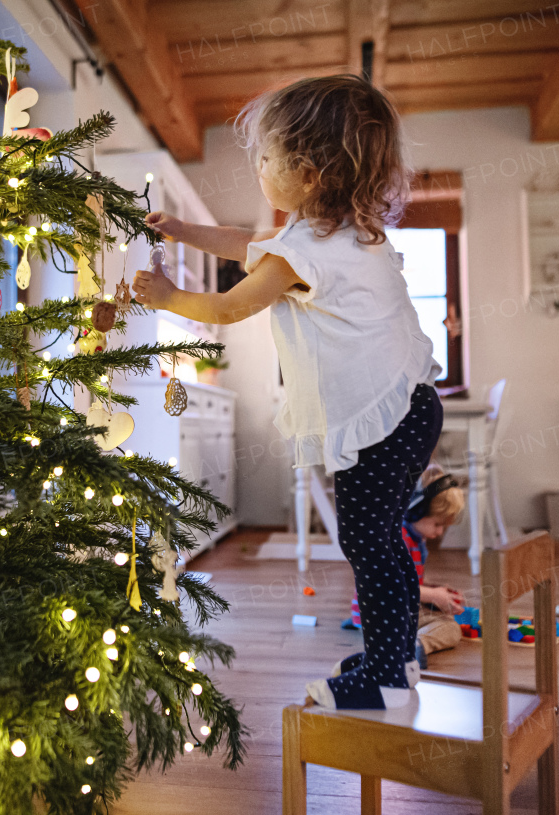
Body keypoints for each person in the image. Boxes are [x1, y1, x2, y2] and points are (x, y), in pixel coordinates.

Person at [133, 75, 443, 710]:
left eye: (266, 158)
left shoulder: (306, 249)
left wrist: (167, 296)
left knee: (367, 541)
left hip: (382, 422)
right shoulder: (343, 232)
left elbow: (225, 309)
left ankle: (385, 677)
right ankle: (398, 654)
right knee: (381, 539)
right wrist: (186, 231)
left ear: (307, 175)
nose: (258, 167)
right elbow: (252, 249)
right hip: (412, 407)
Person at [342, 465, 467, 669]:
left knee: (441, 608)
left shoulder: (413, 536)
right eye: (437, 524)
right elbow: (393, 584)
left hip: (383, 609)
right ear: (415, 510)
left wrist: (435, 591)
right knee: (450, 628)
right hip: (385, 613)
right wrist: (433, 595)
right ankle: (417, 645)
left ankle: (361, 621)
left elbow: (409, 580)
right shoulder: (399, 539)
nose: (440, 532)